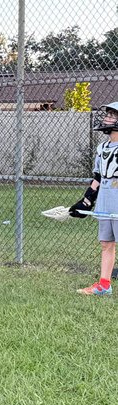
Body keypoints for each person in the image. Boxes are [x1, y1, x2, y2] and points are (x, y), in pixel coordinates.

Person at [75, 102, 118, 295]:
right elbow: (98, 177)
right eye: (107, 114)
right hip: (105, 198)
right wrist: (86, 200)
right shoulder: (102, 147)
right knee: (106, 243)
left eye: (111, 115)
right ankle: (104, 285)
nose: (106, 118)